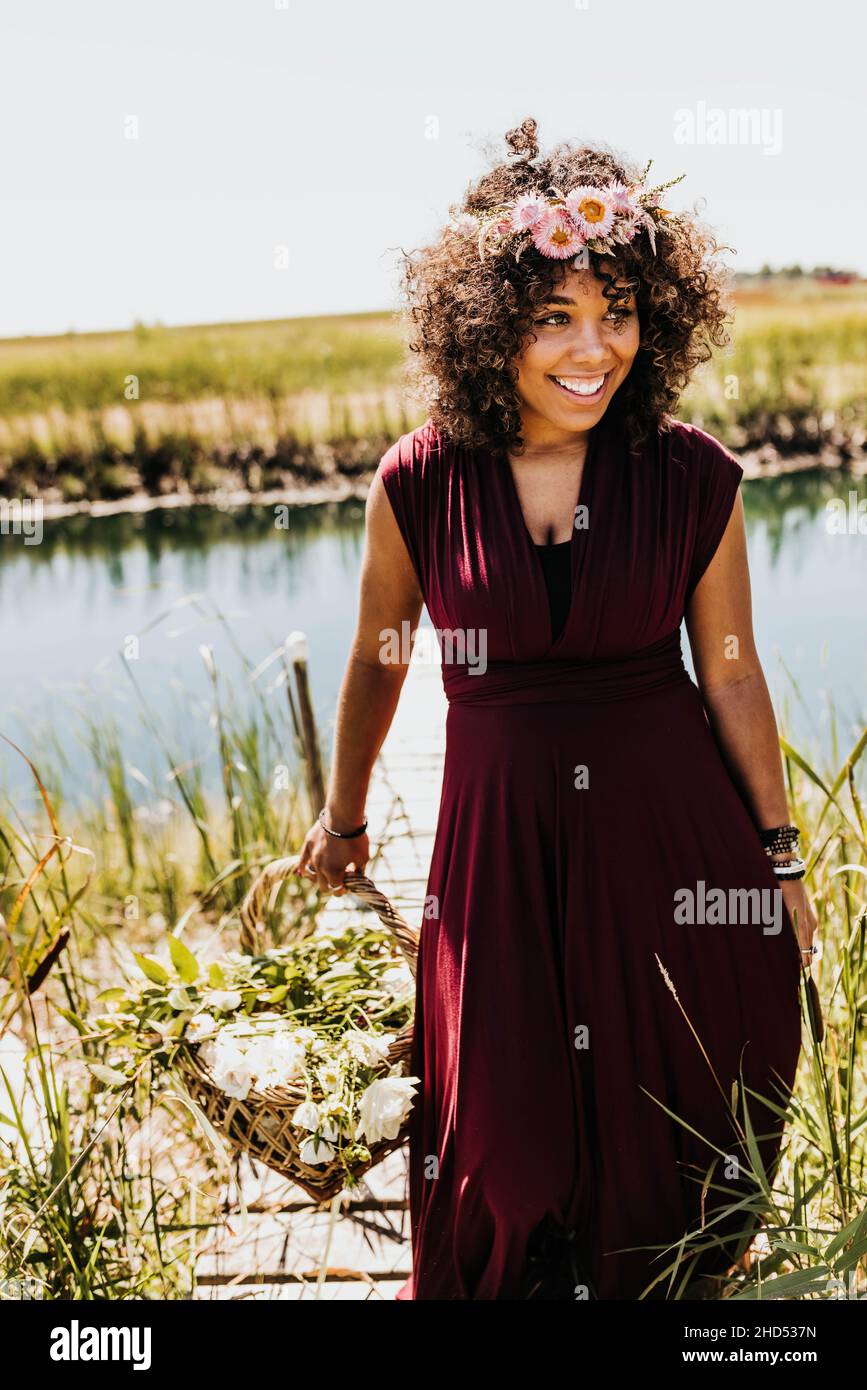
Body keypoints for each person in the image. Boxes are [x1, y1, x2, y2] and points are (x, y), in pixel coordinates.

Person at [296, 117, 817, 1300]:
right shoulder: (420, 479)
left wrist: (779, 857)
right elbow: (381, 655)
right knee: (506, 1152)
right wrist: (342, 818)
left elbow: (730, 670)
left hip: (665, 846)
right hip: (498, 864)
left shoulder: (694, 476)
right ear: (488, 329)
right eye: (556, 318)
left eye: (619, 311)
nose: (596, 348)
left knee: (665, 1153)